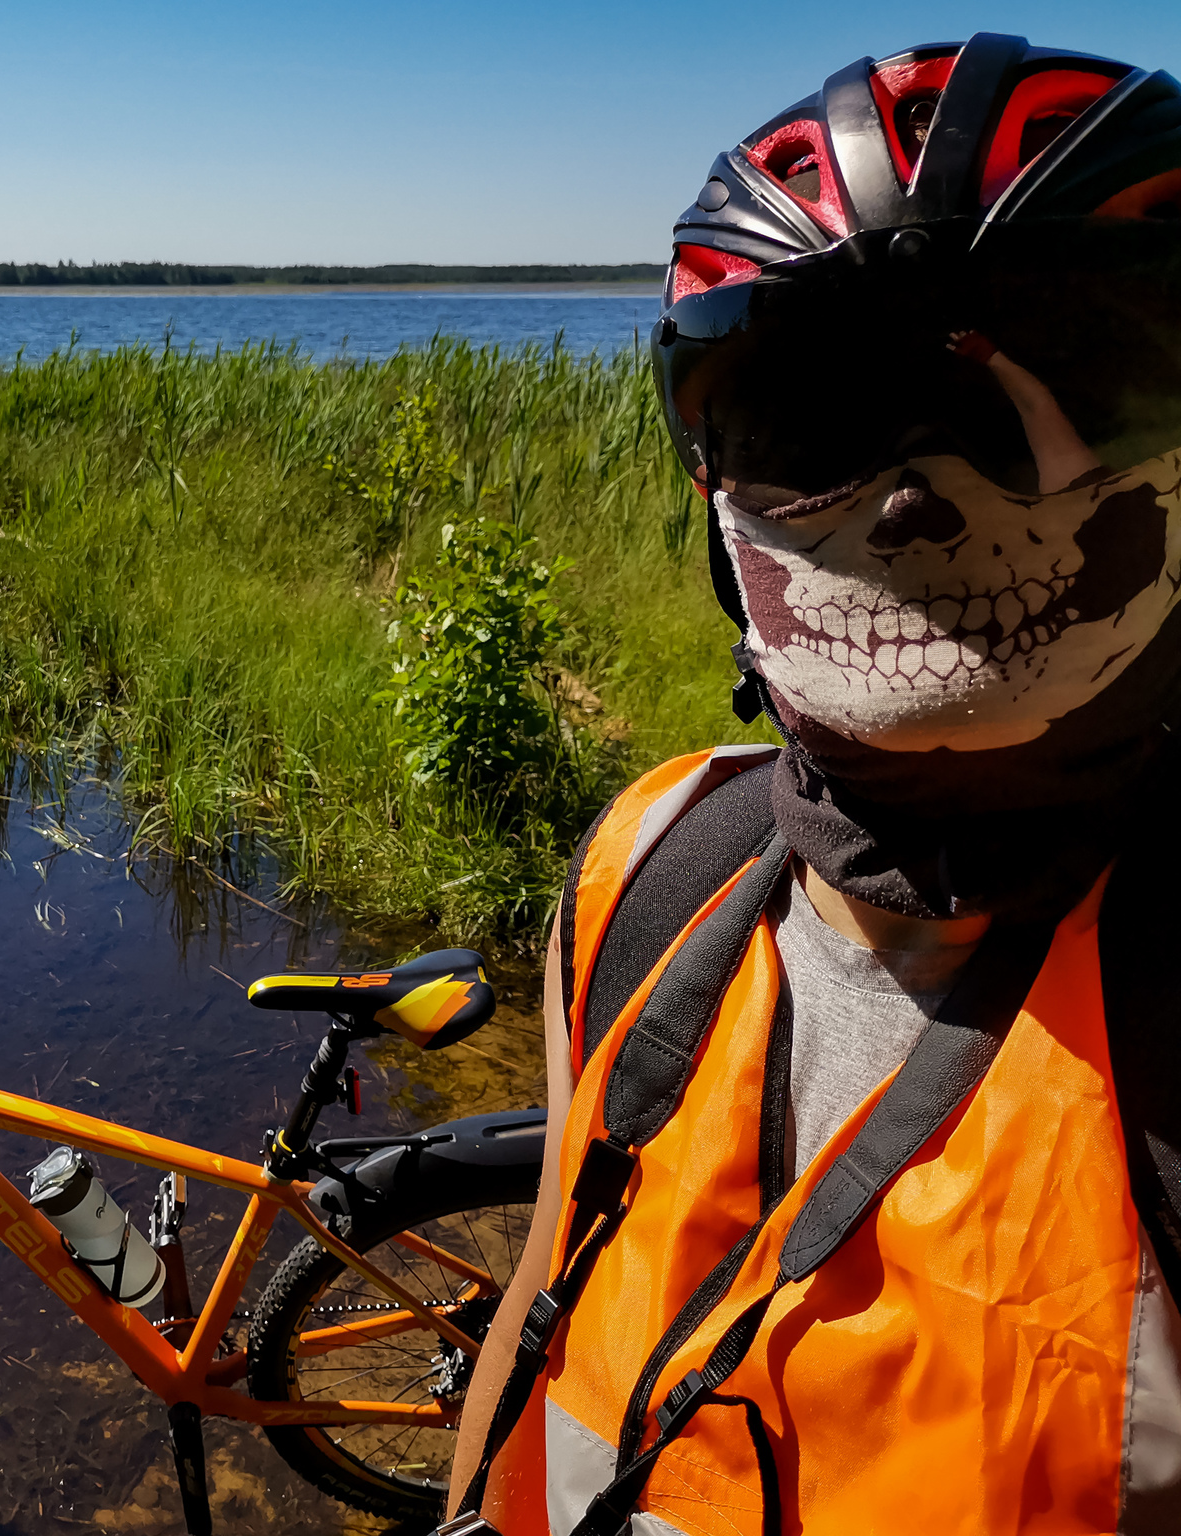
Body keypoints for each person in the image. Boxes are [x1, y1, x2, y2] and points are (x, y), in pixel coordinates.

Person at [442, 32, 1181, 1536]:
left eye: (1079, 381)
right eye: (814, 411)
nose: (917, 494)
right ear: (713, 480)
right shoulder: (653, 859)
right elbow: (542, 1305)